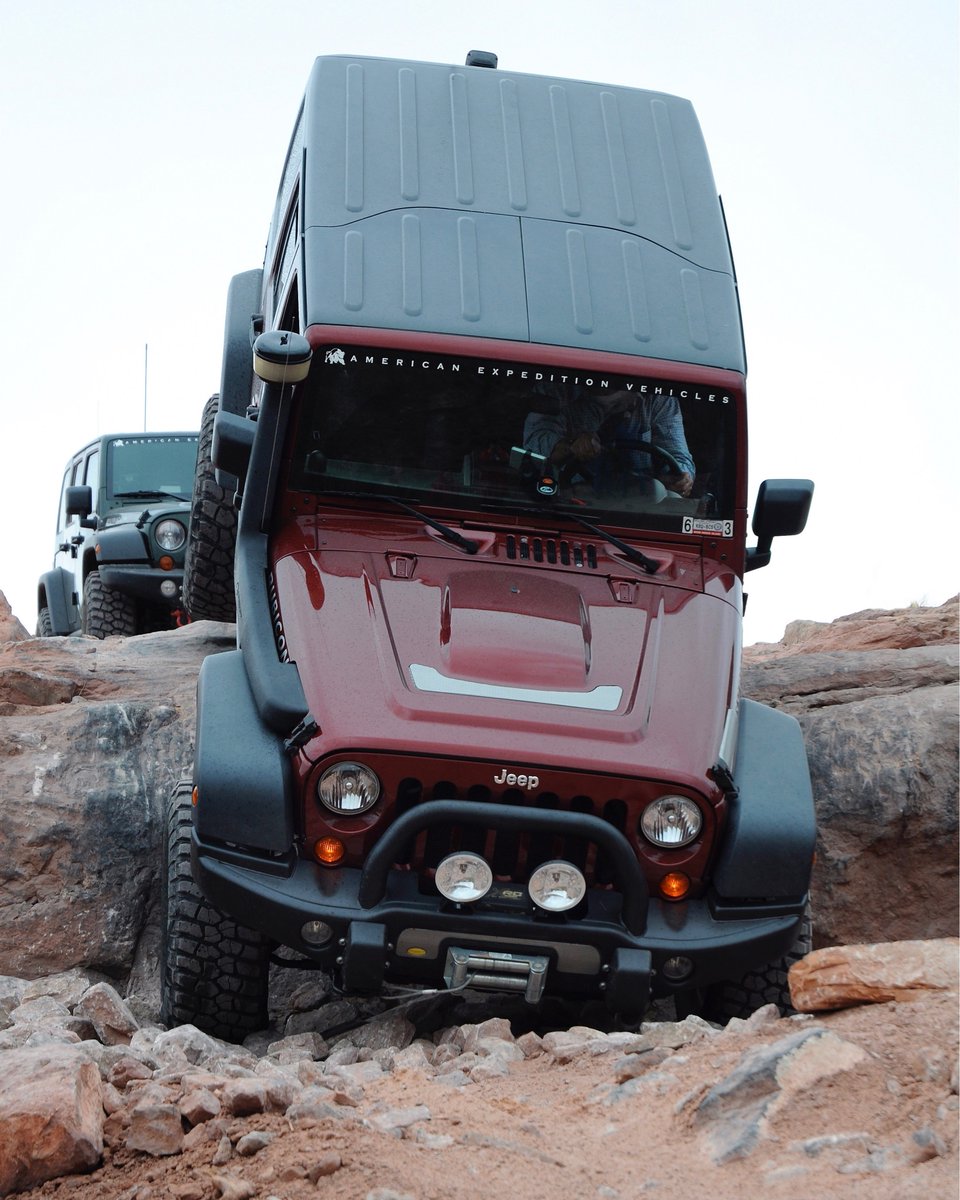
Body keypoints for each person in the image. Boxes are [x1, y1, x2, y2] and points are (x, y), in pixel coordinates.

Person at [523, 388, 695, 497]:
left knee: (669, 498)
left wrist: (681, 478)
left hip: (641, 506)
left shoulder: (658, 397)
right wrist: (571, 446)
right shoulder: (558, 389)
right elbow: (535, 444)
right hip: (574, 502)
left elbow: (678, 457)